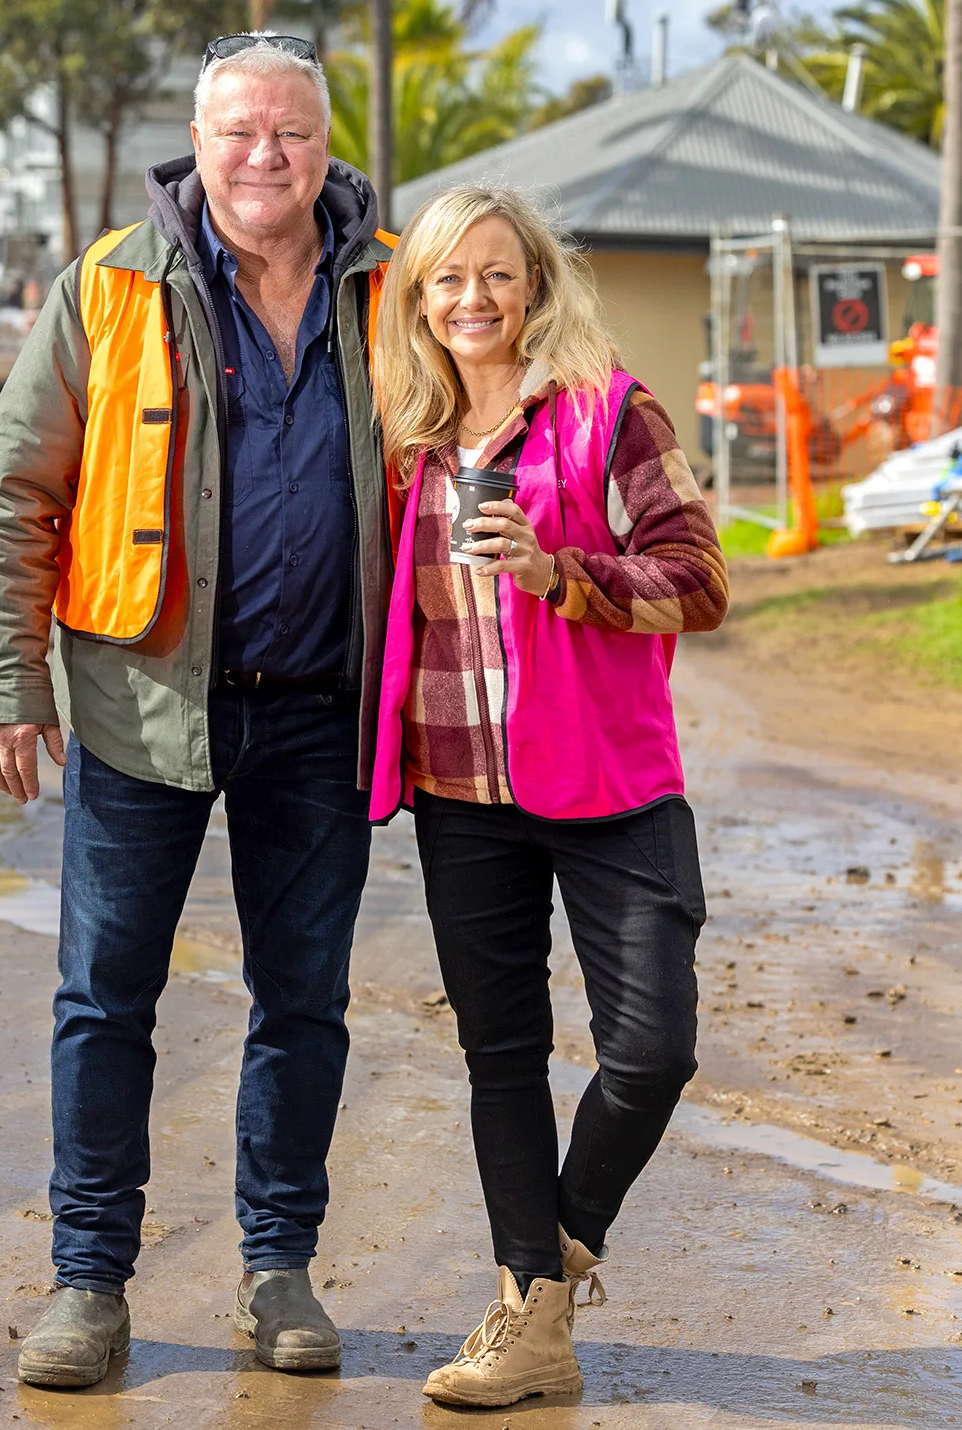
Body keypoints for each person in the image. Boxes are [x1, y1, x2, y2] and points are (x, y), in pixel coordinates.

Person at [0, 32, 395, 1390]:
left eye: (295, 134)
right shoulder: (111, 285)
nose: (268, 156)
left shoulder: (400, 288)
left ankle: (279, 1266)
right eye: (242, 131)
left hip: (323, 711)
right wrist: (9, 685)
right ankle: (88, 1283)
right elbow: (8, 494)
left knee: (303, 1001)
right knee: (105, 999)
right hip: (141, 705)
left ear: (328, 148)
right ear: (196, 143)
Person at [369, 186, 730, 1408]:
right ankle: (531, 1313)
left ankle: (553, 1263)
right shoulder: (405, 436)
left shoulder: (608, 412)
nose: (471, 299)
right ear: (418, 299)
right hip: (463, 790)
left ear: (536, 284)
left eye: (496, 275)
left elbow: (700, 578)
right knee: (502, 1053)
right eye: (445, 280)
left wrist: (560, 571)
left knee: (653, 1048)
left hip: (613, 783)